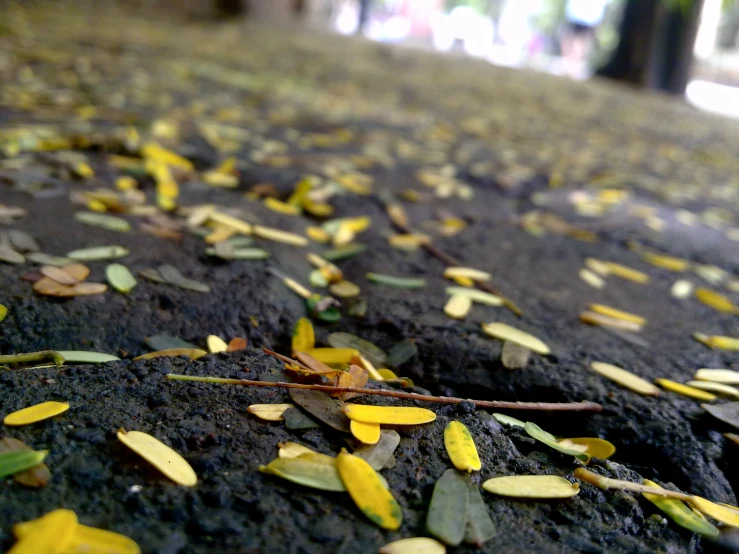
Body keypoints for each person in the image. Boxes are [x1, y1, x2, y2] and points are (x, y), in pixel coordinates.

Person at [561, 0, 609, 78]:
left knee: (579, 40)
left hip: (587, 17)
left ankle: (573, 65)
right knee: (575, 39)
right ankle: (569, 64)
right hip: (578, 15)